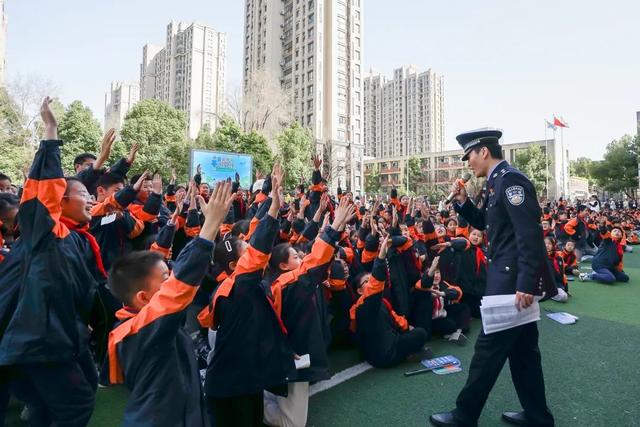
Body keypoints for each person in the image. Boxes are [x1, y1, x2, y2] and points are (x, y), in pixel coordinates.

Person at [430, 128, 555, 427]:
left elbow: (529, 234)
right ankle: (538, 417)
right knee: (524, 352)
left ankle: (464, 416)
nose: (468, 163)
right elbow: (489, 224)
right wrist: (462, 202)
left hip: (512, 283)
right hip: (507, 278)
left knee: (487, 351)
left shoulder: (511, 180)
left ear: (483, 152)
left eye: (469, 155)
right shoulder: (495, 182)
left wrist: (526, 282)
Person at [0, 97, 100, 426]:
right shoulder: (45, 232)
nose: (92, 200)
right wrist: (51, 133)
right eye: (84, 195)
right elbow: (43, 190)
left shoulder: (73, 238)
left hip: (60, 334)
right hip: (41, 339)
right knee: (76, 404)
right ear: (62, 199)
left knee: (49, 404)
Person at [104, 181, 234, 427]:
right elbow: (180, 285)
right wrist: (209, 228)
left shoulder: (144, 319)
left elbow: (179, 273)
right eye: (165, 279)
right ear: (142, 297)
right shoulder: (140, 329)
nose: (172, 278)